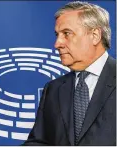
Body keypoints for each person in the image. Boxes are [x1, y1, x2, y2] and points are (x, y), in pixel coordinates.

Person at [24, 1, 116, 146]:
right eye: (57, 35)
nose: (57, 43)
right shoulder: (53, 89)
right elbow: (39, 141)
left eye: (66, 34)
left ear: (95, 35)